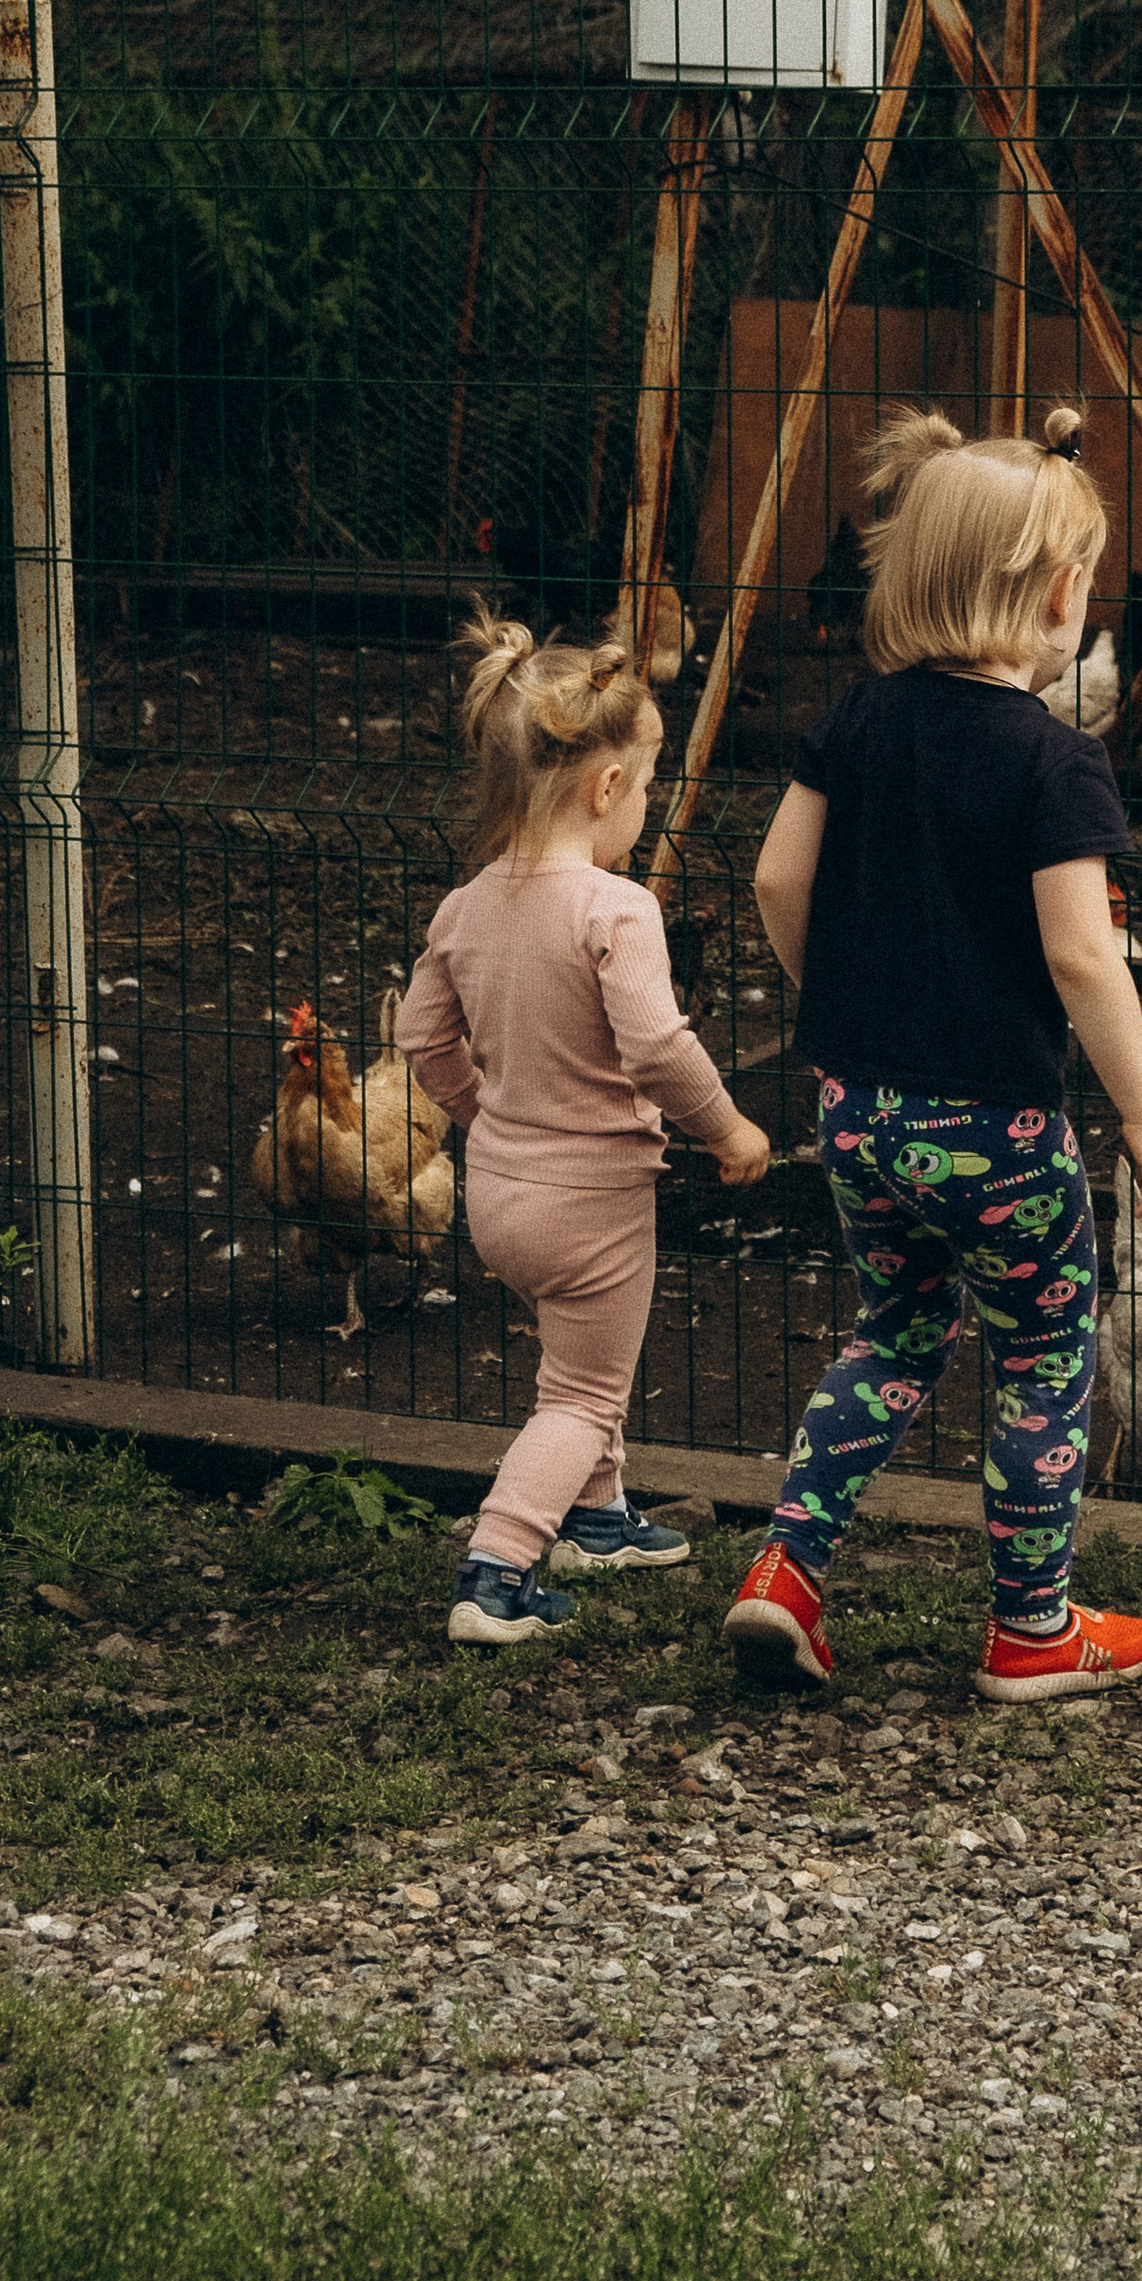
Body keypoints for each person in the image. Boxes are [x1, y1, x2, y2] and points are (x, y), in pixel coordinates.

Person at [726, 405, 1142, 1705]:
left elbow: (774, 878)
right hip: (1001, 1133)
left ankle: (786, 1571)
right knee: (1042, 1355)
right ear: (1051, 597)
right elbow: (1086, 960)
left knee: (896, 1331)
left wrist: (854, 1012)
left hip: (861, 1118)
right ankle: (1033, 1631)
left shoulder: (859, 722)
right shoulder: (1055, 762)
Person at [397, 608, 771, 1645]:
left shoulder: (467, 905)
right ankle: (497, 1568)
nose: (642, 811)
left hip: (498, 1194)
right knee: (581, 1391)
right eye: (644, 790)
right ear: (607, 787)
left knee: (574, 1361)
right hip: (594, 1202)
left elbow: (422, 1037)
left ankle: (599, 1520)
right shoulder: (615, 910)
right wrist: (729, 1130)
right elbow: (654, 1048)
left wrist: (489, 1115)